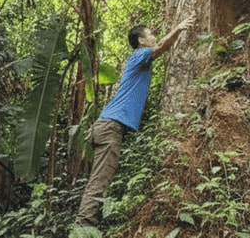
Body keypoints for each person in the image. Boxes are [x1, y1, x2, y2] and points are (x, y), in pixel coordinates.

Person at [70, 13, 196, 236]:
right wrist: (179, 27)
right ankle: (83, 228)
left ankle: (88, 225)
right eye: (151, 34)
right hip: (110, 126)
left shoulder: (140, 60)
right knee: (100, 179)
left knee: (101, 178)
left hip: (109, 126)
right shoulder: (139, 55)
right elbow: (161, 48)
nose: (154, 36)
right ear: (141, 40)